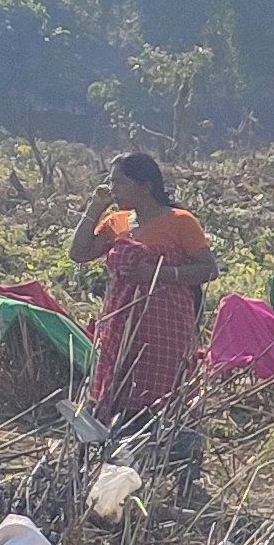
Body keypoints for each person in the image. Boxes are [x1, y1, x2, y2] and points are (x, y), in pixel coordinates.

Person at [66, 152, 216, 421]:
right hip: (121, 326)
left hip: (167, 325)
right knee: (118, 391)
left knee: (162, 396)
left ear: (147, 186)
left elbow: (208, 269)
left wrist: (155, 274)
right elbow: (79, 253)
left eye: (121, 183)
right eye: (111, 182)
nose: (113, 190)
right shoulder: (116, 223)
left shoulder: (181, 221)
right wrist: (94, 208)